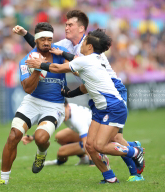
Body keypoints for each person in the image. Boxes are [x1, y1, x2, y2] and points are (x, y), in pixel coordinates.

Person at [13, 10, 144, 182]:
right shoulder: (67, 44)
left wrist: (42, 65)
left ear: (81, 28)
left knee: (113, 137)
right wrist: (25, 34)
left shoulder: (90, 46)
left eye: (70, 24)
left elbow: (62, 66)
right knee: (95, 143)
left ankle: (135, 168)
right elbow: (43, 46)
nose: (66, 27)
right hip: (93, 93)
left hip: (112, 91)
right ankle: (113, 175)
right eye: (66, 24)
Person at [0, 22, 70, 185]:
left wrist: (45, 65)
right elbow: (27, 88)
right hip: (32, 102)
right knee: (14, 136)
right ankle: (3, 179)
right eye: (42, 39)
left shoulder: (60, 53)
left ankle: (41, 154)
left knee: (41, 139)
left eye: (49, 39)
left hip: (55, 105)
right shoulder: (25, 61)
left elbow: (76, 65)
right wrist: (37, 70)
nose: (46, 42)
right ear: (36, 40)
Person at [21, 99, 111, 168]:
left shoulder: (77, 118)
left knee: (61, 152)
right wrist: (33, 137)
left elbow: (86, 140)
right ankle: (84, 158)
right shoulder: (64, 112)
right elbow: (48, 127)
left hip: (97, 138)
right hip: (91, 133)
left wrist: (93, 162)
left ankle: (97, 155)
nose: (62, 114)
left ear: (67, 106)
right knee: (59, 136)